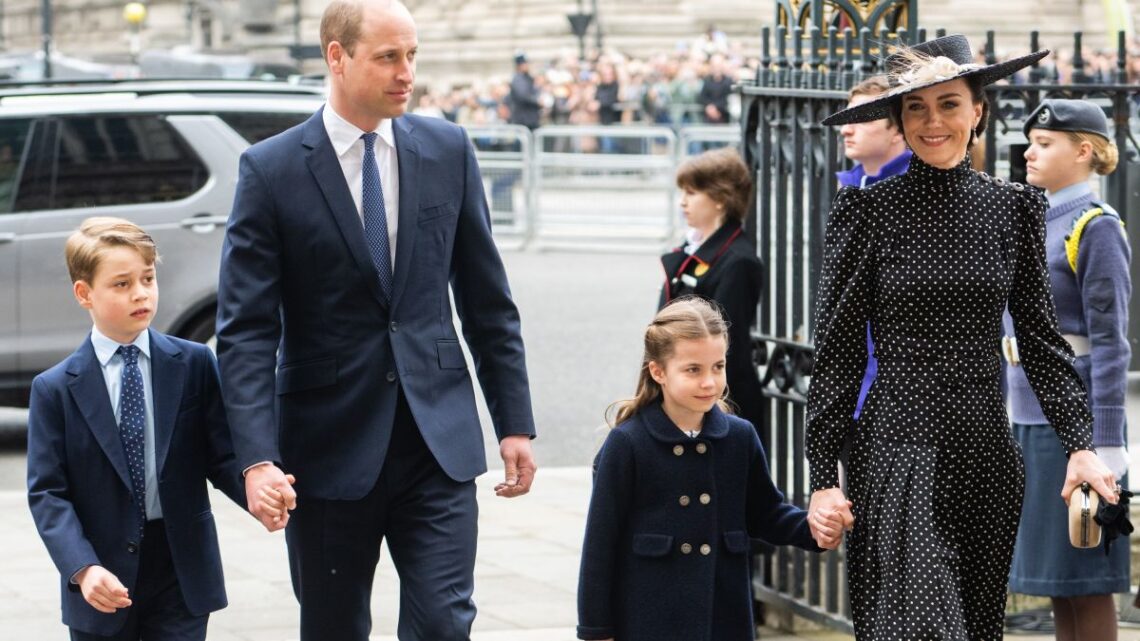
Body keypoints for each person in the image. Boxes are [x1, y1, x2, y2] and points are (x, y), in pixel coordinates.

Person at [215, 1, 538, 640]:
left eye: (412, 55)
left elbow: (486, 301)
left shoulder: (448, 149)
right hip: (327, 450)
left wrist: (514, 423)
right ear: (337, 57)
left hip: (436, 441)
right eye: (388, 56)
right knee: (334, 628)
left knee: (445, 624)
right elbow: (247, 331)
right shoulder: (271, 170)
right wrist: (256, 460)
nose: (406, 73)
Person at [808, 35, 1118, 640]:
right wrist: (823, 478)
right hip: (897, 451)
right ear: (897, 119)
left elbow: (1042, 343)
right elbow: (838, 353)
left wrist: (1082, 444)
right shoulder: (866, 212)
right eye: (916, 108)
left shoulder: (1016, 208)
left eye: (949, 104)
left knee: (975, 630)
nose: (933, 121)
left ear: (978, 110)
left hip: (986, 458)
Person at [26, 217, 251, 641]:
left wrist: (258, 488)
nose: (141, 293)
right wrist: (82, 568)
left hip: (180, 568)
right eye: (122, 284)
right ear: (84, 293)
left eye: (147, 278)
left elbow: (222, 455)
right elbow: (47, 493)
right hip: (101, 573)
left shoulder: (194, 364)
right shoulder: (55, 389)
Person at [576, 297, 844, 641]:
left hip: (724, 616)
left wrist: (815, 528)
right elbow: (600, 544)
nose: (709, 382)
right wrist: (596, 629)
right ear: (658, 371)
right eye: (693, 370)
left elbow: (766, 513)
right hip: (650, 620)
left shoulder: (739, 437)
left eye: (718, 367)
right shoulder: (628, 444)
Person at [1005, 99, 1131, 641]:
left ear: (1084, 151)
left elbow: (1110, 343)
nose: (1030, 152)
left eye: (1045, 143)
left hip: (1073, 422)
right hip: (1028, 410)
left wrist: (1106, 441)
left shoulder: (1094, 226)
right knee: (1058, 577)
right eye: (1031, 141)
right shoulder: (1038, 217)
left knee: (1085, 572)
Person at [658, 147, 765, 443]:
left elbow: (724, 348)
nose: (683, 202)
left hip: (715, 405)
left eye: (692, 193)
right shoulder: (693, 250)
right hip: (683, 393)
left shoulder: (738, 260)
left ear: (719, 199)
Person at [835, 76, 912, 423]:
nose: (846, 130)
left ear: (896, 130)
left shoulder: (914, 190)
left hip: (901, 397)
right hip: (852, 389)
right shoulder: (852, 189)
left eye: (862, 119)